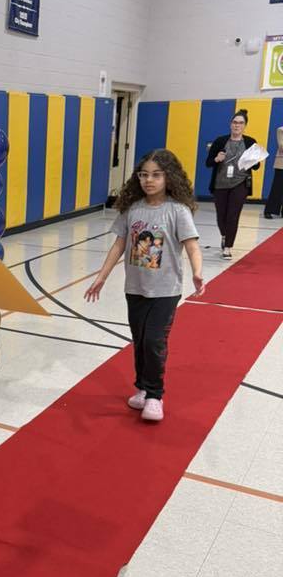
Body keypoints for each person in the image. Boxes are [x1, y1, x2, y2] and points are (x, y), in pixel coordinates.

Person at [84, 149, 205, 423]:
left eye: (156, 175)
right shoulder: (133, 209)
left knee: (154, 341)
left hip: (166, 290)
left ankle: (155, 395)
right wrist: (101, 276)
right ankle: (141, 387)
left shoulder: (178, 210)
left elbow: (193, 246)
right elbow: (119, 245)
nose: (149, 180)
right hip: (135, 288)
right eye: (144, 175)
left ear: (169, 177)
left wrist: (197, 272)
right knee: (139, 341)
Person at [205, 109, 259, 258]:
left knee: (233, 216)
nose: (237, 125)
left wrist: (253, 161)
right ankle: (224, 235)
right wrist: (216, 159)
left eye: (241, 123)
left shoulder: (250, 142)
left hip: (240, 183)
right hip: (220, 183)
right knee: (221, 215)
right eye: (235, 122)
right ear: (230, 124)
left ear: (245, 126)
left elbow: (256, 167)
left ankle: (228, 247)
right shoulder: (220, 141)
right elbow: (208, 163)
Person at [263, 125, 283, 219]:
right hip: (281, 164)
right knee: (277, 188)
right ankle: (269, 210)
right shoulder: (280, 130)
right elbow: (281, 146)